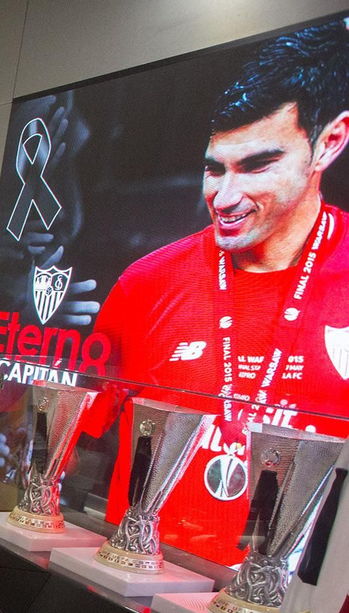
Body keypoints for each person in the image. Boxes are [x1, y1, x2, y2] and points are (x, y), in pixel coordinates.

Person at [84, 23, 349, 565]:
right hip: (137, 585)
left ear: (329, 143)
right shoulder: (147, 283)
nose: (225, 197)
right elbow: (68, 430)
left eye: (256, 165)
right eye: (213, 169)